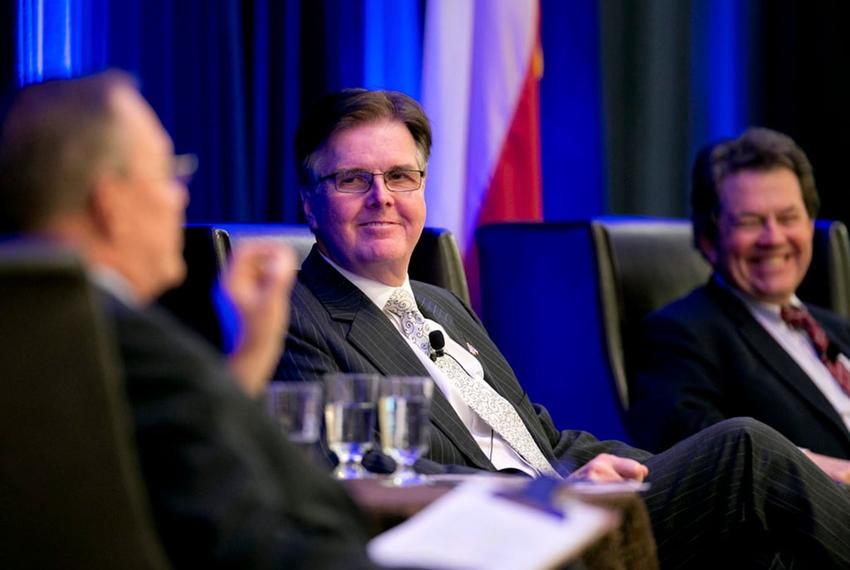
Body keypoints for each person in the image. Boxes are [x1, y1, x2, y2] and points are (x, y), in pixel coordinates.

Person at [278, 89, 850, 568]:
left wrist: (646, 471)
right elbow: (359, 467)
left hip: (571, 517)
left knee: (762, 525)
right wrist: (551, 492)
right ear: (309, 202)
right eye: (354, 179)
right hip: (499, 540)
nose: (383, 198)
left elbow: (546, 443)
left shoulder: (442, 305)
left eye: (401, 176)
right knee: (744, 450)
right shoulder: (295, 315)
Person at [0, 72, 381, 569]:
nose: (181, 198)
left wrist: (247, 360)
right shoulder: (132, 341)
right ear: (110, 203)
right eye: (168, 172)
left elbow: (176, 471)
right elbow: (248, 544)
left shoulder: (44, 334)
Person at [626, 128, 850, 483]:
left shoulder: (837, 329)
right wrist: (831, 470)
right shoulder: (679, 334)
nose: (773, 238)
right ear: (709, 239)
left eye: (788, 218)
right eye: (750, 222)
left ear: (809, 226)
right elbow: (698, 453)